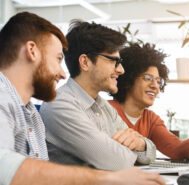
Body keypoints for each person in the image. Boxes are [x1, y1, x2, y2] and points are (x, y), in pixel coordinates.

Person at [0, 12, 165, 185]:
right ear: (32, 51)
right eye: (57, 59)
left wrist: (139, 144)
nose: (63, 74)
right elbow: (4, 167)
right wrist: (109, 177)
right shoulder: (7, 99)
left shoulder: (30, 112)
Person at [40, 20, 156, 171]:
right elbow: (116, 162)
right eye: (113, 61)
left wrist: (141, 144)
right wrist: (123, 151)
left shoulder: (104, 107)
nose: (121, 70)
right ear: (85, 62)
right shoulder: (59, 104)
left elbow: (150, 152)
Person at [109, 43, 189, 160]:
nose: (155, 86)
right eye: (148, 78)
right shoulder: (106, 110)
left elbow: (177, 150)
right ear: (128, 80)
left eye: (158, 81)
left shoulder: (151, 119)